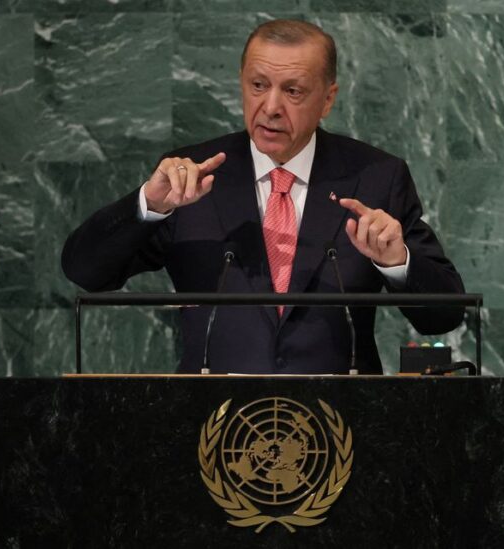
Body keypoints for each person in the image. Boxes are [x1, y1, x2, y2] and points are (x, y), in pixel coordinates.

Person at [62, 19, 465, 374]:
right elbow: (85, 272)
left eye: (292, 91)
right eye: (258, 86)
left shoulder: (376, 177)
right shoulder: (189, 177)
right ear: (241, 83)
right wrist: (148, 204)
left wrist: (397, 261)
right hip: (210, 425)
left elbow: (444, 314)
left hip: (340, 427)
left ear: (328, 98)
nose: (270, 107)